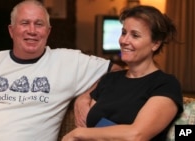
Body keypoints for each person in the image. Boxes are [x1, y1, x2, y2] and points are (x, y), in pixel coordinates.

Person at [0, 0, 121, 141]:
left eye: (39, 24)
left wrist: (87, 95)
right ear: (11, 30)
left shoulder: (68, 61)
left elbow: (119, 72)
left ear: (48, 31)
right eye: (24, 23)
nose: (32, 30)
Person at [63, 5, 184, 141]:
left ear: (155, 44)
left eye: (135, 35)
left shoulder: (166, 84)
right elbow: (90, 128)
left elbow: (136, 135)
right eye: (123, 32)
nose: (124, 41)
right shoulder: (109, 79)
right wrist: (83, 98)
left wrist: (77, 133)